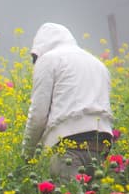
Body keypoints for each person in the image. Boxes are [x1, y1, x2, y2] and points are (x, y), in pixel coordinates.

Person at [22, 22, 115, 180]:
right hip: (100, 146)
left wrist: (27, 155)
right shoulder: (98, 64)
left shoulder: (49, 59)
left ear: (40, 48)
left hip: (68, 146)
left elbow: (38, 115)